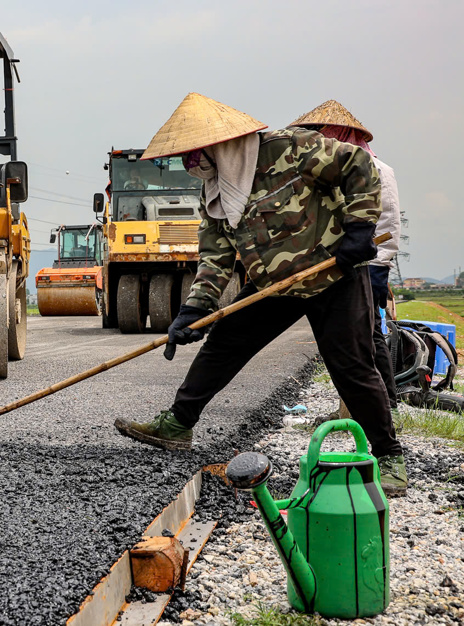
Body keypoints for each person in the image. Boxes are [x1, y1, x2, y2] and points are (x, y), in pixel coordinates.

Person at [112, 93, 407, 496]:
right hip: (275, 284)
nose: (189, 164)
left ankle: (390, 455)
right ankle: (178, 423)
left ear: (219, 145)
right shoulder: (215, 190)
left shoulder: (291, 147)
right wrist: (195, 307)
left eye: (194, 153)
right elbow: (216, 255)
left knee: (352, 367)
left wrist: (358, 229)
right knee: (224, 342)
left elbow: (359, 166)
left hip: (332, 276)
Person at [289, 100, 402, 415]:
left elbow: (388, 222)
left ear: (338, 132)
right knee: (355, 337)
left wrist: (380, 262)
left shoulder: (378, 169)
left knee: (367, 336)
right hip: (339, 263)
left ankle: (383, 404)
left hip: (370, 262)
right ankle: (359, 406)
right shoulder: (325, 169)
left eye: (321, 132)